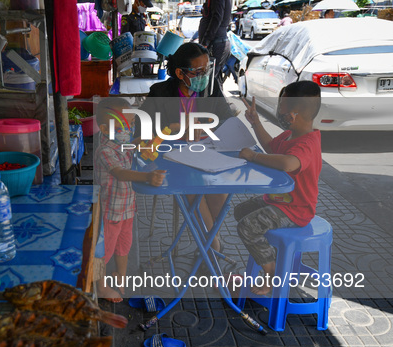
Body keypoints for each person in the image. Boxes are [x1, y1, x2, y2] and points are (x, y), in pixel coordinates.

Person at [136, 42, 234, 252]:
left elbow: (226, 119)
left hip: (205, 153)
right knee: (193, 187)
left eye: (207, 69)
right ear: (180, 73)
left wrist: (205, 125)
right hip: (171, 157)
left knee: (220, 193)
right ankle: (213, 248)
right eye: (198, 71)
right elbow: (141, 129)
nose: (204, 75)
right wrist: (173, 128)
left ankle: (207, 244)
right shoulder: (160, 92)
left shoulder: (211, 88)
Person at [235, 81, 322, 295]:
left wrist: (254, 156)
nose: (278, 111)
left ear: (294, 114)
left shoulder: (307, 144)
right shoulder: (290, 134)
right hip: (278, 200)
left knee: (247, 227)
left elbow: (288, 163)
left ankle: (272, 274)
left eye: (282, 106)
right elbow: (272, 147)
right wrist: (255, 122)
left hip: (296, 209)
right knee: (240, 211)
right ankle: (268, 251)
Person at [94, 97, 166, 302]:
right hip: (110, 212)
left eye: (131, 124)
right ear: (104, 129)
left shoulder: (120, 142)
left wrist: (144, 143)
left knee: (124, 245)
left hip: (127, 208)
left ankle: (121, 275)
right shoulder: (104, 150)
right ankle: (101, 286)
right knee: (104, 252)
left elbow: (131, 145)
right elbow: (120, 173)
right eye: (123, 126)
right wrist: (147, 177)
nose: (129, 129)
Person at [195, 0, 232, 96]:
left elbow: (217, 18)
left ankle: (222, 107)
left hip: (215, 44)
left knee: (209, 82)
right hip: (216, 43)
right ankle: (221, 107)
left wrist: (205, 42)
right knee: (213, 81)